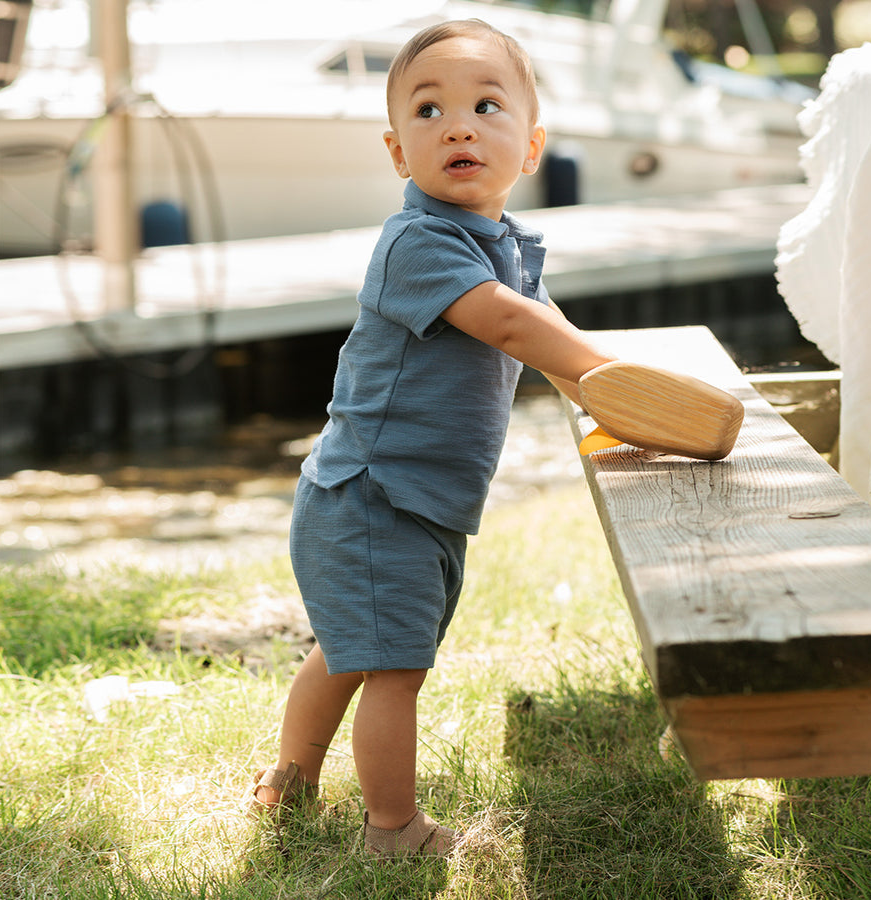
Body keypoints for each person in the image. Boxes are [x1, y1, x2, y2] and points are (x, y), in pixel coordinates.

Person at [250, 18, 616, 858]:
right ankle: (393, 829)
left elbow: (552, 339)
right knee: (393, 668)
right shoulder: (419, 244)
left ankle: (288, 780)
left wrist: (611, 399)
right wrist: (607, 373)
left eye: (486, 106)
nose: (457, 127)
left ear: (531, 147)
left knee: (350, 650)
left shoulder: (504, 247)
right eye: (428, 110)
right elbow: (515, 329)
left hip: (411, 499)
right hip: (374, 497)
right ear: (396, 152)